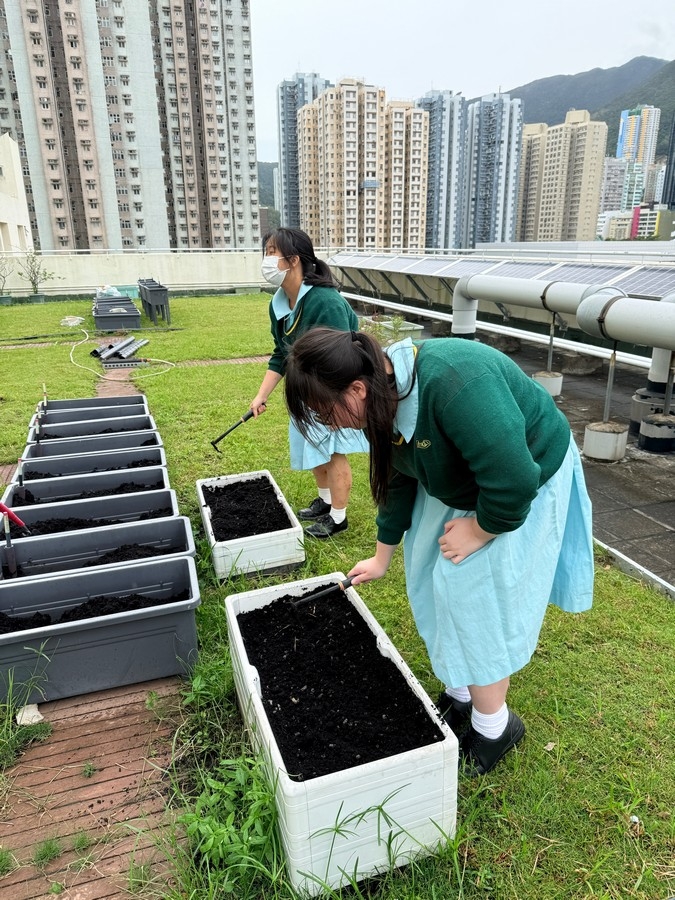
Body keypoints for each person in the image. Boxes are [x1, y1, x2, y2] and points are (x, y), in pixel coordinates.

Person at [284, 327, 595, 774]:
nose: (328, 424)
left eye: (324, 411)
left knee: (473, 598)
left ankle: (496, 727)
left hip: (521, 477)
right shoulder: (381, 395)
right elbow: (397, 477)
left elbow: (513, 481)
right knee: (430, 578)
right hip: (463, 475)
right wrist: (382, 556)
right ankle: (462, 692)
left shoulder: (456, 385)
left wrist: (480, 530)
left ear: (356, 389)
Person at [250, 228, 368, 538]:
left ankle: (338, 518)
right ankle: (325, 501)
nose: (267, 259)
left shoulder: (325, 301)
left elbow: (343, 356)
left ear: (294, 260)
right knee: (313, 447)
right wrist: (261, 395)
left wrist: (333, 403)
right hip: (305, 391)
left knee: (333, 452)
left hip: (333, 391)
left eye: (273, 252)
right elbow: (281, 354)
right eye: (266, 251)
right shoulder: (278, 304)